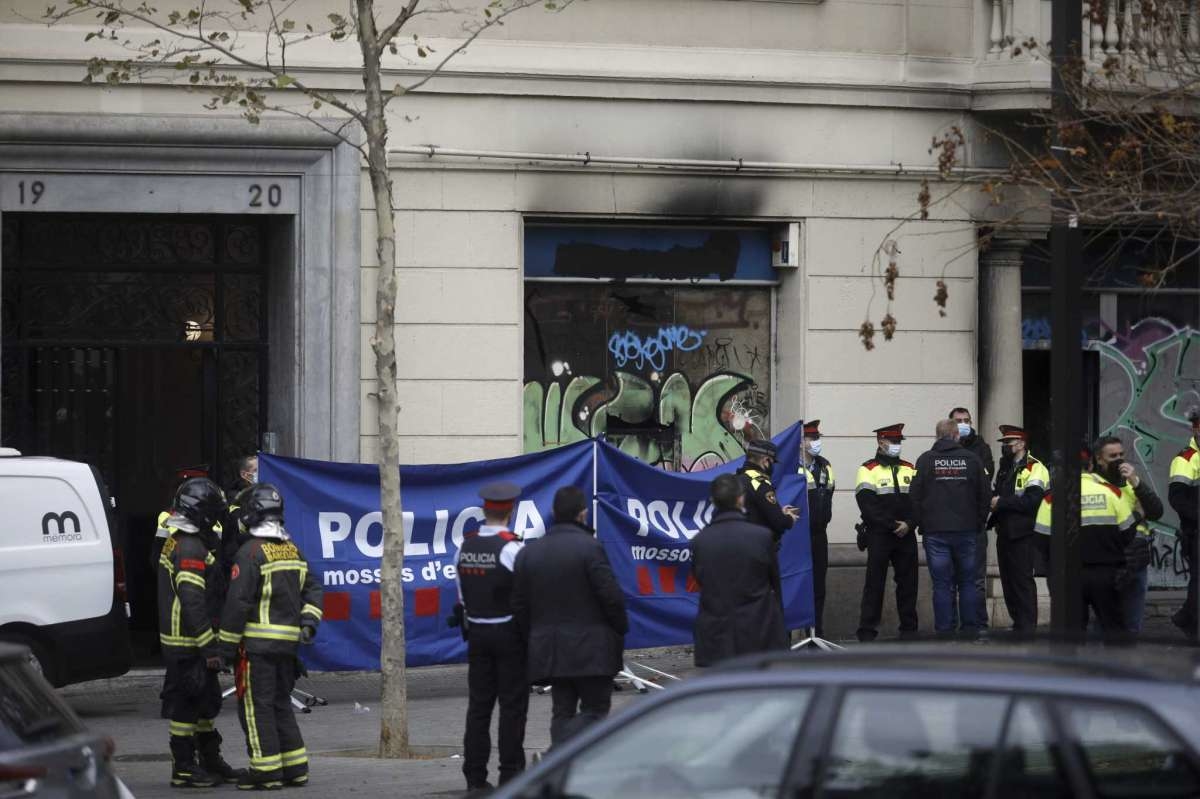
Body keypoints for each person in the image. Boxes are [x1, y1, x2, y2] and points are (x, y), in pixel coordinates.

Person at [217, 483, 323, 790]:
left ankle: (265, 771)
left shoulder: (249, 552)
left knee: (256, 706)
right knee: (279, 704)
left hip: (256, 648)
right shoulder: (293, 549)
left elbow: (238, 604)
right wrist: (308, 622)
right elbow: (314, 588)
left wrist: (225, 649)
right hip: (287, 647)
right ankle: (295, 768)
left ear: (251, 514)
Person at [512, 487, 627, 748]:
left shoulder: (530, 552)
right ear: (583, 514)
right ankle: (563, 756)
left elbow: (519, 606)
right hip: (592, 650)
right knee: (595, 711)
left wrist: (533, 638)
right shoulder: (591, 548)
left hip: (551, 651)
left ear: (554, 513)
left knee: (562, 711)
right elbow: (611, 597)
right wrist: (620, 629)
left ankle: (562, 764)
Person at [156, 477, 243, 788]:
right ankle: (184, 768)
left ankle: (209, 759)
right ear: (203, 513)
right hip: (189, 643)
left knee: (205, 701)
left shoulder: (184, 539)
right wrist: (209, 648)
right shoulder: (190, 546)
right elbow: (193, 601)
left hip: (190, 640)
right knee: (187, 705)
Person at [455, 481, 528, 792]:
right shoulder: (513, 548)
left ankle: (474, 778)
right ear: (509, 511)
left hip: (477, 633)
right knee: (512, 708)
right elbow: (526, 597)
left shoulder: (465, 546)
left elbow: (461, 597)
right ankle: (511, 776)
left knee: (479, 708)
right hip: (509, 635)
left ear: (485, 510)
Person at [689, 473, 788, 665]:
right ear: (740, 498)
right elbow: (774, 583)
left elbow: (700, 580)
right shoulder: (761, 537)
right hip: (758, 631)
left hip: (716, 635)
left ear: (713, 501)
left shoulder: (700, 541)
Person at [1034, 470, 1138, 641]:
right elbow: (1128, 532)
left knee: (1070, 634)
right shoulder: (1112, 492)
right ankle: (1118, 665)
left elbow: (1041, 538)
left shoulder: (1052, 498)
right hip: (1106, 572)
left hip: (1067, 575)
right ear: (1090, 465)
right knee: (1114, 630)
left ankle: (1073, 666)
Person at [910, 419, 990, 639]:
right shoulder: (972, 460)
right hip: (967, 531)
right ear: (956, 435)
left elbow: (915, 496)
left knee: (942, 585)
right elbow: (985, 495)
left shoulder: (925, 461)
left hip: (936, 533)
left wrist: (922, 524)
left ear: (937, 436)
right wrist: (979, 522)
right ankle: (970, 630)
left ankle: (945, 633)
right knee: (968, 582)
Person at [1092, 435, 1163, 634]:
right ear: (1099, 459)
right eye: (1112, 456)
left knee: (1132, 626)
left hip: (1137, 561)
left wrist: (1136, 481)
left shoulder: (1131, 483)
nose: (1119, 459)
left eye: (1122, 454)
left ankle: (1126, 661)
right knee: (1106, 625)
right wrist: (1138, 514)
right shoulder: (1096, 486)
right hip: (1110, 562)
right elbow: (1112, 528)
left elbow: (1157, 510)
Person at [855, 423, 919, 642]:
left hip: (907, 534)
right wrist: (893, 525)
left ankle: (909, 630)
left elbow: (919, 501)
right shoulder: (868, 469)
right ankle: (867, 632)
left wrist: (910, 524)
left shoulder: (909, 467)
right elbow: (867, 505)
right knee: (874, 584)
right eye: (893, 442)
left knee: (908, 584)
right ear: (881, 442)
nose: (897, 446)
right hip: (880, 534)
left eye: (899, 442)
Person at [989, 424, 1050, 636]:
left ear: (1022, 444)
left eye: (1009, 442)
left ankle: (1027, 626)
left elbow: (1033, 501)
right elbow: (997, 494)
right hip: (1004, 531)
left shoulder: (1035, 468)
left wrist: (1002, 503)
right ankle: (1017, 622)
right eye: (1004, 442)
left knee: (1022, 580)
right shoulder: (1005, 467)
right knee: (1008, 580)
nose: (1005, 446)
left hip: (1024, 533)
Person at [949, 408, 995, 629]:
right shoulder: (943, 448)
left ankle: (979, 626)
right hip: (950, 525)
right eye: (958, 421)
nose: (964, 424)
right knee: (950, 582)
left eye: (967, 420)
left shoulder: (981, 448)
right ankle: (953, 627)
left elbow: (985, 479)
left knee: (976, 581)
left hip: (974, 525)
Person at [799, 420, 835, 636]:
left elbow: (829, 492)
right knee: (796, 585)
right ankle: (787, 635)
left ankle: (815, 634)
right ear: (801, 442)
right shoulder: (790, 466)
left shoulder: (825, 465)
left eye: (817, 438)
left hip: (819, 534)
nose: (816, 442)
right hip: (797, 536)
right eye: (812, 438)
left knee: (818, 587)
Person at [1169, 410, 1200, 638]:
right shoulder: (1186, 459)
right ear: (1195, 429)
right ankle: (1192, 623)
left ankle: (1186, 618)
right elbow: (1177, 498)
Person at [737, 439, 798, 543]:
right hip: (758, 547)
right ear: (765, 460)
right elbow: (779, 522)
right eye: (772, 462)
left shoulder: (737, 479)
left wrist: (779, 512)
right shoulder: (760, 483)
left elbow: (755, 510)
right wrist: (789, 518)